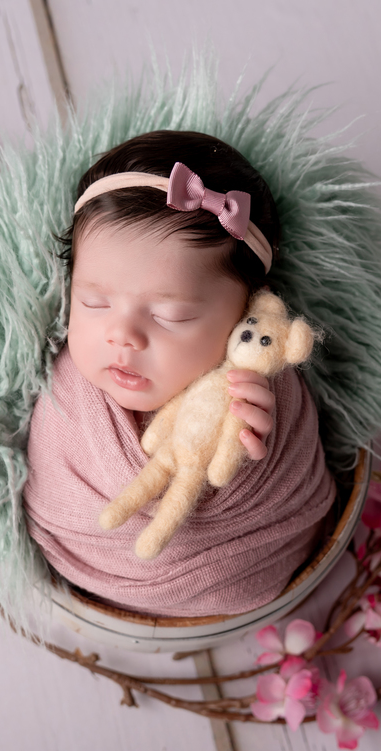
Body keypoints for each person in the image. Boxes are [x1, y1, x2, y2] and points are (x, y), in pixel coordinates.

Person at [23, 130, 337, 617]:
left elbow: (286, 465)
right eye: (95, 302)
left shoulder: (261, 372)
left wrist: (253, 442)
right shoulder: (66, 392)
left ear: (248, 310)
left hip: (246, 569)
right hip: (84, 568)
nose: (122, 335)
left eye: (170, 316)